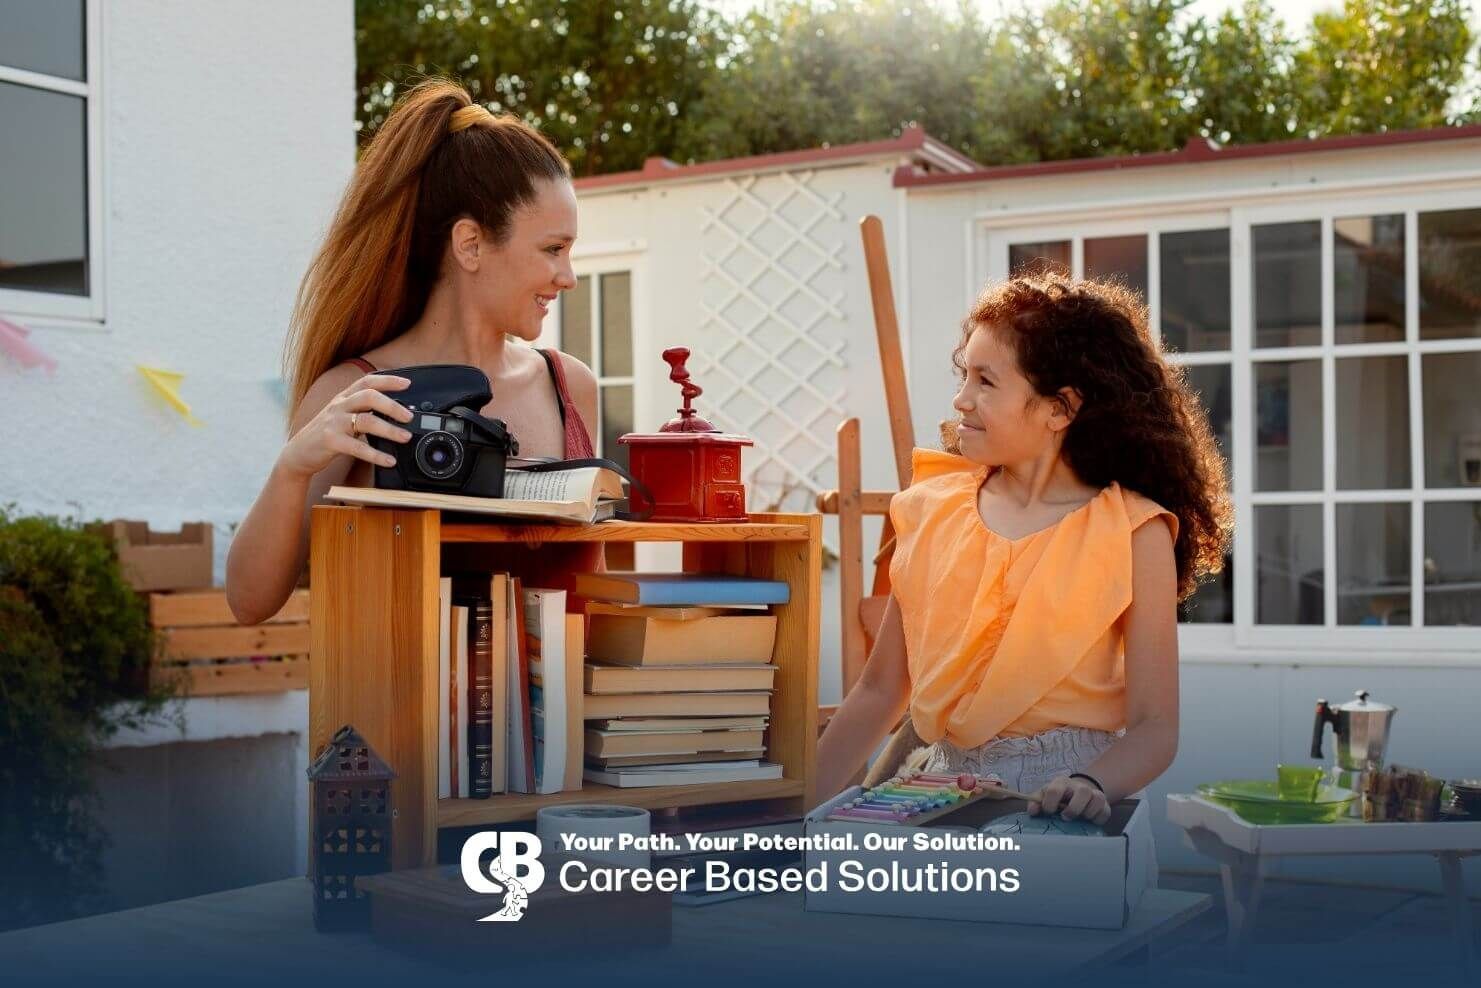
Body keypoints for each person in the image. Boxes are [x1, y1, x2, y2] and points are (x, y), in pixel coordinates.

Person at [815, 274, 1230, 825]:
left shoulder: (1135, 532)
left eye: (987, 381)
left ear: (1061, 409)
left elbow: (1157, 729)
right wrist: (785, 817)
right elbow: (879, 690)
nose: (961, 399)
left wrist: (1090, 783)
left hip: (1066, 807)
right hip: (935, 795)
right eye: (965, 375)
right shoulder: (930, 509)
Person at [226, 79, 598, 626]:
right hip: (399, 711)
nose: (567, 277)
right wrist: (291, 471)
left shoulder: (570, 386)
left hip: (556, 712)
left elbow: (593, 593)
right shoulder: (359, 394)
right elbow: (250, 602)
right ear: (470, 244)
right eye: (552, 249)